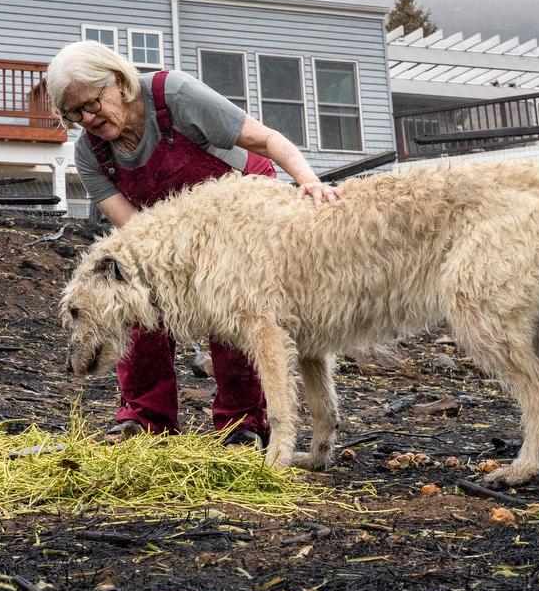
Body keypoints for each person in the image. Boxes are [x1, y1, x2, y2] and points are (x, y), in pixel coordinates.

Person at [45, 40, 341, 446]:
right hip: (169, 232)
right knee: (135, 298)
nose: (88, 118)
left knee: (237, 308)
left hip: (241, 211)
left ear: (117, 81)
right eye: (74, 113)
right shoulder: (91, 155)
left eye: (93, 103)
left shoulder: (175, 96)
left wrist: (309, 182)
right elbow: (138, 237)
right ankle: (145, 419)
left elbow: (265, 139)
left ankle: (243, 424)